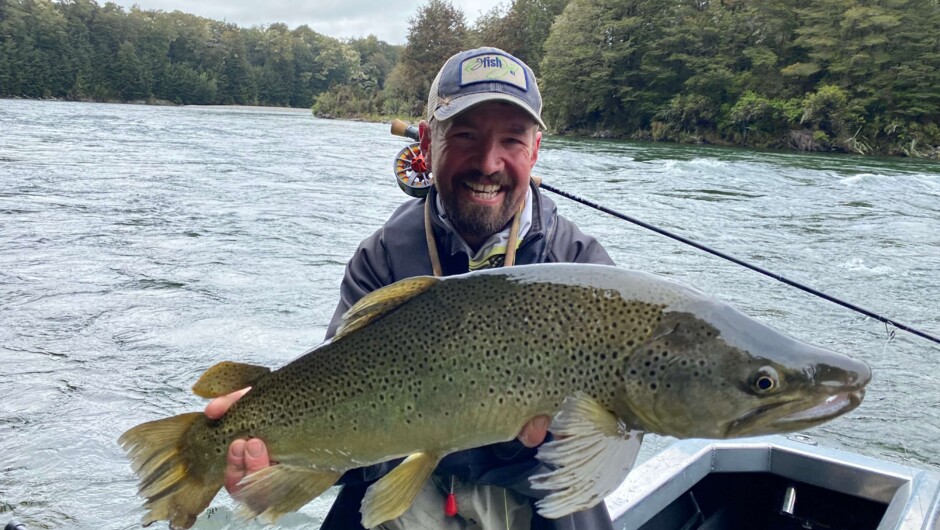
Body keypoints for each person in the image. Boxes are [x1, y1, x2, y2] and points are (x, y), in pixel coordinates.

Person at [205, 47, 616, 530]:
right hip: (403, 490)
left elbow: (600, 449)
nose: (488, 162)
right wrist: (279, 454)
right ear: (426, 141)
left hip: (533, 497)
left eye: (511, 139)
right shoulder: (381, 258)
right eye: (465, 135)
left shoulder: (579, 269)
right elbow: (345, 416)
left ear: (536, 150)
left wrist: (522, 444)